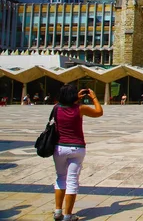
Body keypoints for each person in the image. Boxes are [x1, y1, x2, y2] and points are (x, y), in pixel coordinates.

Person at [53, 84, 103, 221]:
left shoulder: (56, 108)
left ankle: (58, 211)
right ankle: (68, 215)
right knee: (72, 180)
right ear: (74, 96)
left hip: (59, 148)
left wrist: (75, 97)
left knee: (60, 177)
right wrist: (93, 97)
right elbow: (99, 112)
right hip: (76, 148)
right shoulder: (80, 109)